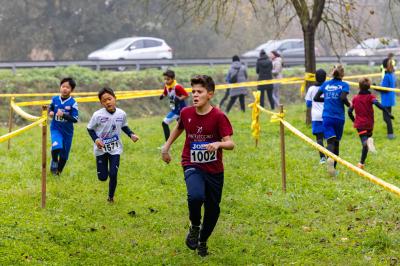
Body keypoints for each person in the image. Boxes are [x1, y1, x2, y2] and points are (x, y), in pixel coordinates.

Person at [161, 75, 234, 257]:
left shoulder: (219, 116)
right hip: (191, 162)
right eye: (193, 91)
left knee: (213, 209)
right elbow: (179, 127)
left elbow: (230, 143)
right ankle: (194, 225)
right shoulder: (186, 113)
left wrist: (218, 144)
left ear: (209, 94)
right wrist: (166, 147)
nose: (194, 95)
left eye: (199, 92)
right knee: (195, 196)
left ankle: (202, 240)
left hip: (214, 169)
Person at [87, 87, 139, 203]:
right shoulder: (97, 115)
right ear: (101, 103)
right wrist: (96, 140)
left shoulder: (122, 113)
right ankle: (102, 174)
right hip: (101, 149)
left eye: (109, 99)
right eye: (104, 100)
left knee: (113, 174)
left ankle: (110, 197)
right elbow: (89, 128)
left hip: (115, 148)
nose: (107, 102)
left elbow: (124, 126)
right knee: (102, 177)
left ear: (115, 98)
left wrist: (131, 135)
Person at [348, 77, 394, 169]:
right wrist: (388, 113)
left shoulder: (355, 98)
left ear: (359, 87)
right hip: (369, 124)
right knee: (366, 143)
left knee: (365, 143)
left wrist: (354, 120)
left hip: (360, 124)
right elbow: (378, 104)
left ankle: (367, 143)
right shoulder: (371, 97)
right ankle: (361, 163)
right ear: (369, 87)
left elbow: (349, 112)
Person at [314, 65, 351, 176]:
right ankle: (333, 169)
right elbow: (343, 98)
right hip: (339, 117)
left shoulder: (326, 84)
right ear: (342, 74)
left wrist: (327, 99)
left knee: (330, 141)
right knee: (337, 142)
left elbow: (316, 98)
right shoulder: (344, 85)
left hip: (327, 117)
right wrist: (350, 105)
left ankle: (330, 161)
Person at [48, 77, 79, 175]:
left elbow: (75, 119)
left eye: (68, 87)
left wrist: (64, 115)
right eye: (63, 86)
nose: (65, 89)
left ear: (72, 90)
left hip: (67, 132)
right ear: (60, 87)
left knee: (64, 156)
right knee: (56, 146)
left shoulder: (73, 103)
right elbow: (50, 108)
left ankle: (58, 172)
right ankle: (54, 161)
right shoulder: (55, 99)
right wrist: (51, 112)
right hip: (55, 128)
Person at [304, 69, 327, 164]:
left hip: (316, 116)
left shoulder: (311, 89)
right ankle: (332, 156)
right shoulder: (327, 87)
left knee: (319, 138)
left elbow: (308, 104)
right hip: (327, 115)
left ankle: (322, 158)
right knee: (329, 137)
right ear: (325, 78)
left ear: (315, 77)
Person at [159, 69, 189, 141]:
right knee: (185, 126)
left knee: (164, 123)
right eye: (165, 79)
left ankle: (167, 144)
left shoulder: (177, 87)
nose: (166, 81)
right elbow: (165, 93)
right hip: (173, 108)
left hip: (179, 110)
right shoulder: (167, 86)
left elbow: (186, 95)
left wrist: (179, 99)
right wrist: (162, 95)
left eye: (168, 79)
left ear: (173, 79)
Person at [380, 58, 397, 139]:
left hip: (386, 100)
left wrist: (375, 87)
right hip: (390, 99)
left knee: (386, 118)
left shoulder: (387, 76)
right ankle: (390, 134)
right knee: (387, 116)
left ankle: (390, 134)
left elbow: (385, 89)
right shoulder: (391, 74)